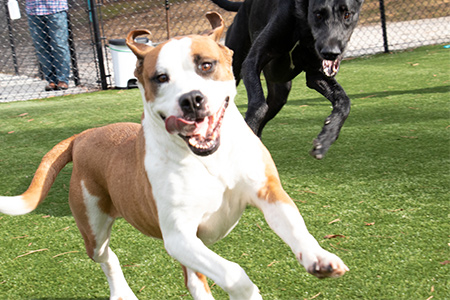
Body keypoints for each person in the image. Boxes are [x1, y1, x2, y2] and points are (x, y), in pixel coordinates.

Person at [26, 0, 71, 91]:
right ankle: (51, 81)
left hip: (55, 8)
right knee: (41, 48)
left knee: (59, 45)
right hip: (33, 10)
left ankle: (63, 80)